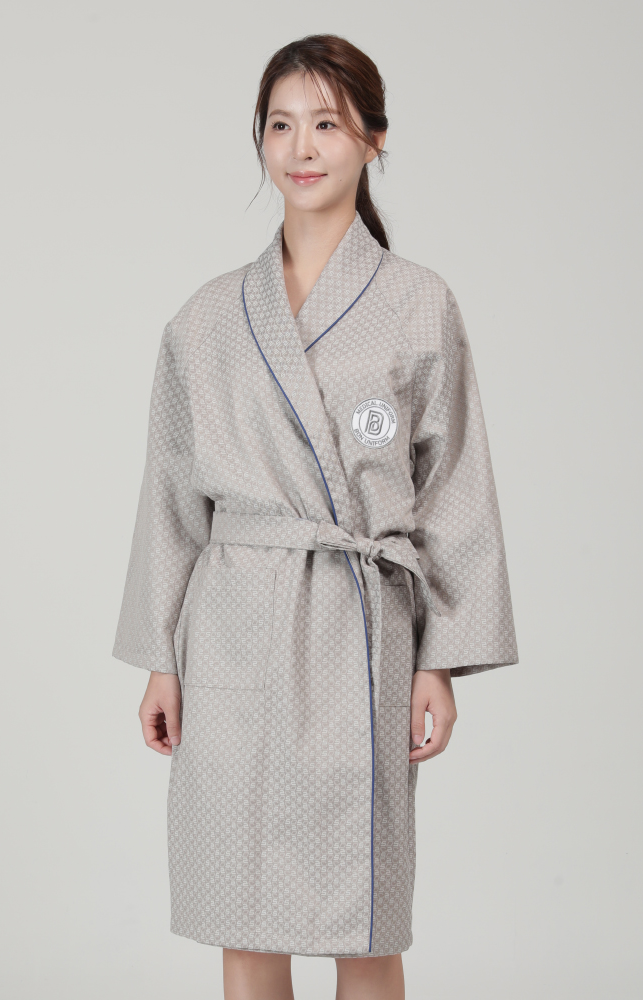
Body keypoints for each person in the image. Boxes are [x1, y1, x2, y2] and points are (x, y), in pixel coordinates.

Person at [112, 33, 518, 1000]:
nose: (302, 148)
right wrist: (163, 657)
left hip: (360, 630)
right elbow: (172, 495)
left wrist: (438, 661)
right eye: (281, 125)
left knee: (363, 921)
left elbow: (455, 486)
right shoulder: (207, 318)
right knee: (243, 912)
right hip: (232, 630)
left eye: (327, 124)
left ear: (374, 138)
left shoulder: (418, 304)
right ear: (259, 138)